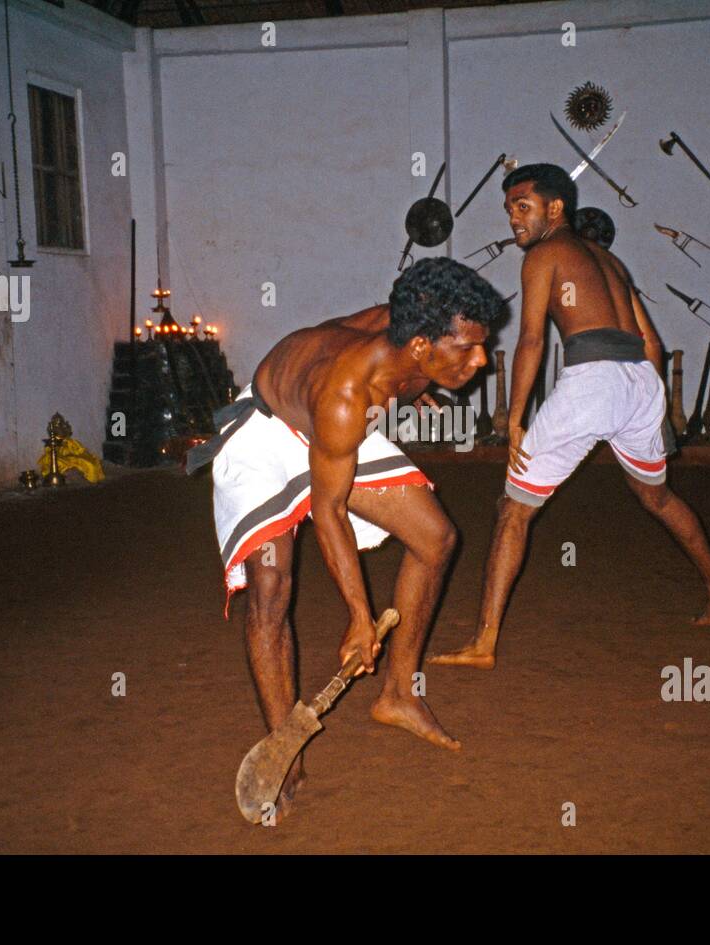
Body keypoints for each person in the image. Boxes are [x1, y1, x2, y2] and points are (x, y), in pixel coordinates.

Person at [187, 257, 504, 818]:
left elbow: (377, 382)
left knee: (435, 539)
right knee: (270, 588)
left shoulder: (409, 329)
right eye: (469, 348)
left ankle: (399, 694)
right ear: (423, 346)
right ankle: (285, 747)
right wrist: (359, 616)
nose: (482, 359)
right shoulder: (346, 392)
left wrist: (415, 389)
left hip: (333, 427)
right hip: (267, 431)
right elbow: (327, 510)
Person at [430, 164, 710, 672]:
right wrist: (649, 404)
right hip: (640, 380)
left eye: (523, 206)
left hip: (594, 382)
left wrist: (514, 420)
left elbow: (532, 338)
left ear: (555, 208)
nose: (513, 217)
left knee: (513, 510)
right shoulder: (611, 261)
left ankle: (484, 643)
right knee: (658, 498)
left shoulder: (544, 255)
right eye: (510, 207)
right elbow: (654, 344)